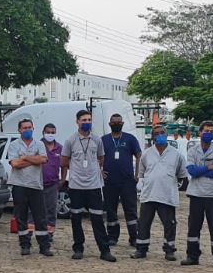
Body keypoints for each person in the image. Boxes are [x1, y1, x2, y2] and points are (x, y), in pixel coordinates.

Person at [61, 109, 114, 262]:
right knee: (76, 219)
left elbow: (101, 158)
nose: (86, 122)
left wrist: (93, 170)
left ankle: (104, 251)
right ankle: (78, 248)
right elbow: (64, 161)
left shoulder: (97, 140)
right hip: (76, 186)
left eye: (89, 120)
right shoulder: (70, 140)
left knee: (97, 219)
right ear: (77, 122)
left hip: (94, 186)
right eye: (83, 120)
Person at [132, 125, 187, 261]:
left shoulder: (176, 154)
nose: (159, 135)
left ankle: (169, 250)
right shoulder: (147, 153)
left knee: (169, 224)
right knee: (144, 223)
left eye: (162, 133)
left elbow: (181, 174)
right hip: (148, 195)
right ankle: (141, 249)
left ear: (166, 134)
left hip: (167, 195)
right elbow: (142, 173)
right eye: (156, 133)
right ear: (152, 137)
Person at [183, 120, 213, 269]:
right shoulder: (192, 151)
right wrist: (208, 167)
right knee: (193, 227)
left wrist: (201, 170)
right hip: (196, 195)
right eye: (206, 131)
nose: (209, 134)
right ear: (200, 132)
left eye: (211, 131)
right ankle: (192, 256)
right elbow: (191, 171)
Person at [6, 118, 53, 257]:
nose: (27, 130)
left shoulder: (39, 144)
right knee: (21, 217)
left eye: (30, 127)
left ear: (33, 128)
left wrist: (25, 158)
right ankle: (25, 245)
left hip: (35, 186)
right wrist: (33, 160)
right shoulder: (14, 145)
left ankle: (44, 246)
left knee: (40, 217)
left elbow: (43, 160)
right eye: (24, 128)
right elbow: (14, 164)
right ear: (19, 130)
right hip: (19, 185)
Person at [102, 113, 142, 247]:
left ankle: (134, 237)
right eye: (114, 122)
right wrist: (100, 171)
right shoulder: (104, 140)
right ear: (109, 124)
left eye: (119, 122)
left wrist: (137, 174)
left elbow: (138, 155)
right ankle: (112, 237)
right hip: (109, 181)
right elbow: (97, 157)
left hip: (127, 181)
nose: (116, 124)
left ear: (123, 123)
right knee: (111, 210)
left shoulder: (130, 139)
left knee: (130, 210)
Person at [40, 123, 62, 242]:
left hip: (53, 184)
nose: (50, 134)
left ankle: (49, 234)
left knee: (51, 209)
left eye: (53, 132)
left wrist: (62, 179)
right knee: (35, 211)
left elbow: (64, 164)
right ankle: (31, 233)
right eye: (48, 132)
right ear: (43, 132)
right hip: (37, 184)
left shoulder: (59, 147)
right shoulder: (37, 145)